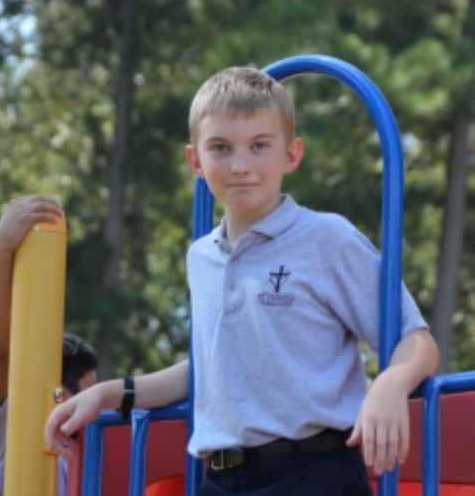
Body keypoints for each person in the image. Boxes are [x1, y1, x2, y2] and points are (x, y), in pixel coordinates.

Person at [45, 67, 439, 495]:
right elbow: (207, 370)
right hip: (223, 478)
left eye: (259, 146)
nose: (240, 166)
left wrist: (389, 384)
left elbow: (417, 340)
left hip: (315, 471)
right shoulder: (202, 257)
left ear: (291, 154)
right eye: (220, 148)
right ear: (195, 161)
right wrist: (106, 394)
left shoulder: (328, 239)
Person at [0, 195, 98, 496]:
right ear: (63, 396)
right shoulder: (14, 424)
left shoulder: (76, 456)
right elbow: (5, 355)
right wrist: (1, 252)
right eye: (88, 394)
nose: (94, 410)